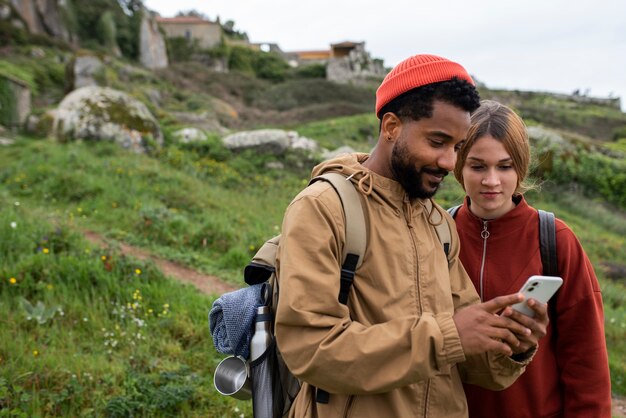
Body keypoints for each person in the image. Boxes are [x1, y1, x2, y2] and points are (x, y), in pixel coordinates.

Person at [274, 54, 549, 418]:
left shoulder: (438, 223)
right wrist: (448, 335)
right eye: (437, 141)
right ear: (391, 126)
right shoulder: (323, 208)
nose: (450, 162)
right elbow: (311, 349)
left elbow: (466, 358)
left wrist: (511, 342)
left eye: (457, 146)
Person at [452, 100, 612, 417]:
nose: (491, 181)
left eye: (505, 166)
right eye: (478, 166)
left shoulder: (556, 239)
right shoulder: (439, 233)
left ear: (521, 167)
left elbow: (587, 361)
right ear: (458, 165)